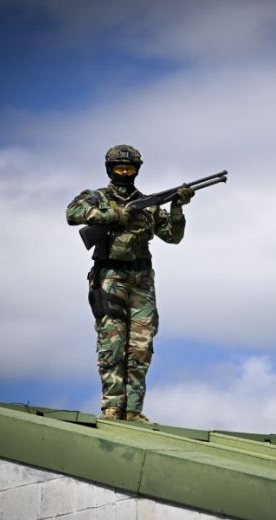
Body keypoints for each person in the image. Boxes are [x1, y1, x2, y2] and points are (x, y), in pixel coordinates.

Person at [66, 145, 194, 422]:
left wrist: (176, 207)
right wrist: (113, 215)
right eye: (120, 169)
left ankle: (133, 409)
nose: (125, 173)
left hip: (142, 281)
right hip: (109, 277)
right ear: (110, 169)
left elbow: (173, 237)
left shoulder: (147, 204)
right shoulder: (96, 196)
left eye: (130, 169)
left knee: (141, 346)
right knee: (112, 344)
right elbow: (72, 213)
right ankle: (112, 407)